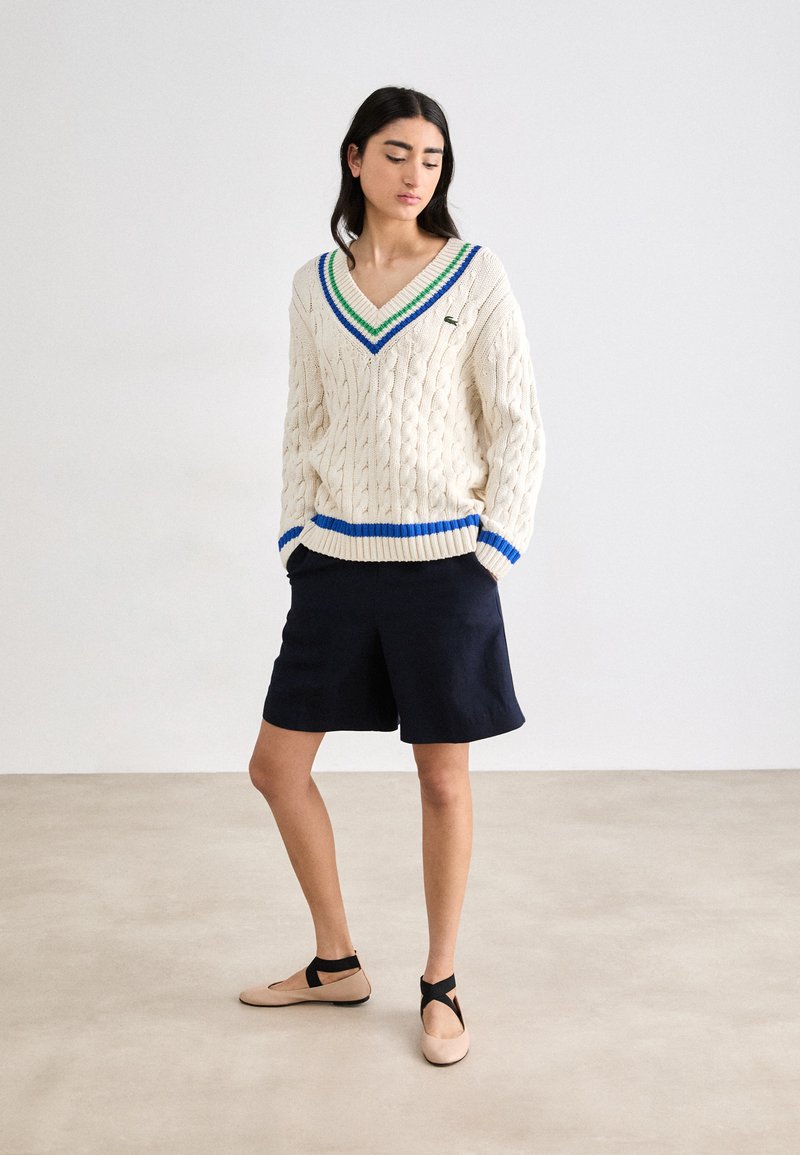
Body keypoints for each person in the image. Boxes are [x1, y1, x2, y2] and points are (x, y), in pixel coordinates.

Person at [239, 86, 546, 1067]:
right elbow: (303, 420)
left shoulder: (474, 274)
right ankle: (336, 962)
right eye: (398, 152)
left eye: (433, 158)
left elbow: (518, 423)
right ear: (355, 158)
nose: (417, 173)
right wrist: (296, 538)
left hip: (444, 568)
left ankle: (440, 981)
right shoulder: (313, 285)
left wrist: (491, 551)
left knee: (443, 781)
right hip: (333, 564)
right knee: (276, 767)